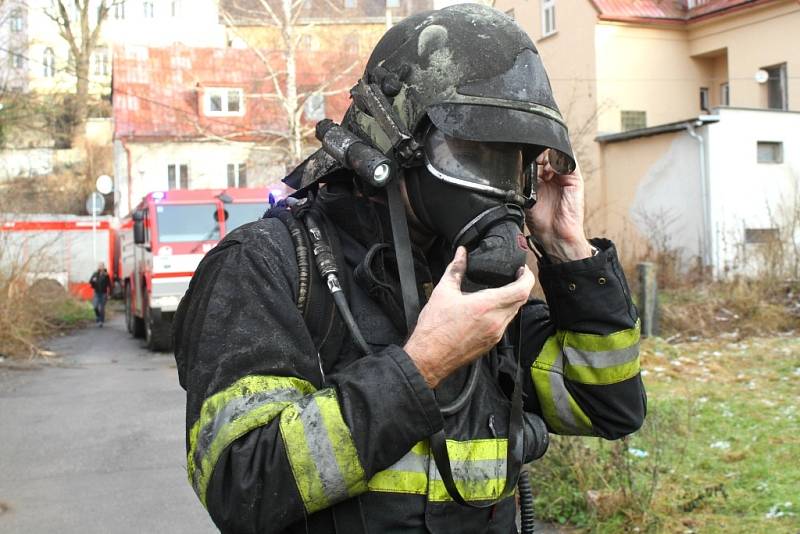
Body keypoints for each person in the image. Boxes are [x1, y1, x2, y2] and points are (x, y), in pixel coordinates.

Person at [173, 5, 646, 533]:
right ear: (396, 144)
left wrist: (567, 247)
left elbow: (606, 405)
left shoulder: (472, 279)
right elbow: (243, 485)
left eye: (511, 164)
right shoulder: (271, 264)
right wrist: (421, 366)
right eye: (474, 154)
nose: (497, 187)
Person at [89, 262, 111, 327]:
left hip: (103, 293)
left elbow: (109, 285)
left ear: (104, 267)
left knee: (102, 308)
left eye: (102, 266)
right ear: (98, 267)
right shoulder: (95, 274)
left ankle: (101, 321)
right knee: (95, 306)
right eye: (99, 266)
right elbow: (90, 281)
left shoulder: (106, 275)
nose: (100, 267)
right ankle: (98, 316)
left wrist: (109, 294)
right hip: (96, 293)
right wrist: (93, 280)